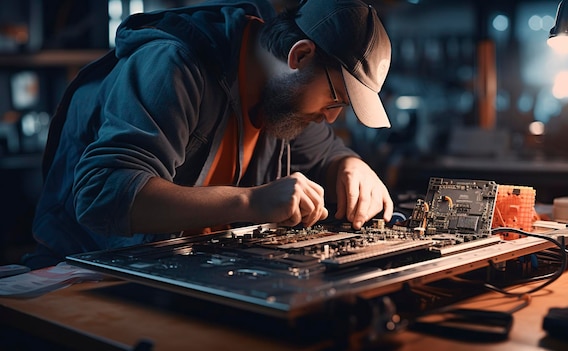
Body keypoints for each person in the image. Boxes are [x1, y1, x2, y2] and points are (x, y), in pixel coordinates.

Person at [22, 0, 394, 269]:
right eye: (335, 99)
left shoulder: (284, 98)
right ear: (300, 56)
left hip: (178, 276)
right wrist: (251, 203)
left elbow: (326, 152)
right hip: (86, 276)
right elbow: (102, 194)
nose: (330, 118)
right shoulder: (174, 66)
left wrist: (350, 164)